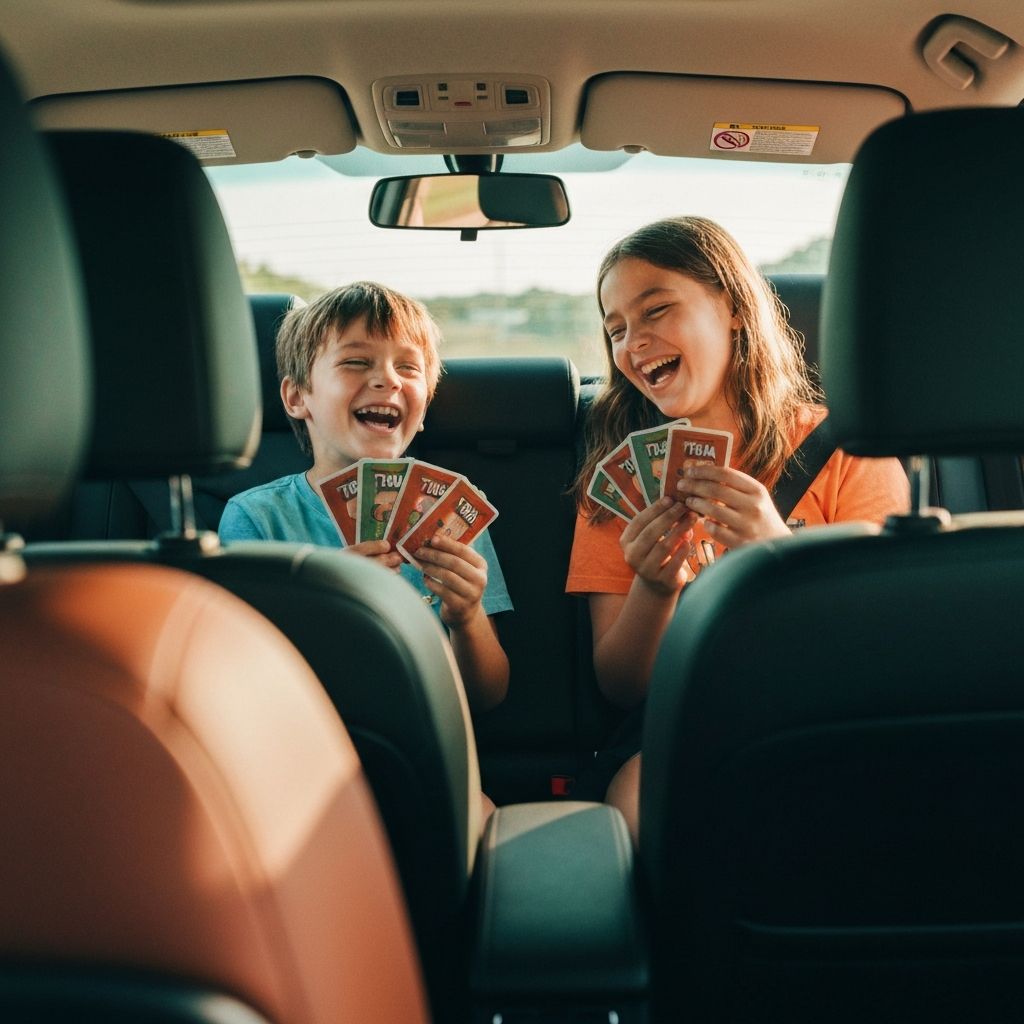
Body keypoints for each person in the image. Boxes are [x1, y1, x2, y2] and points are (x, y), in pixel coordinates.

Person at [566, 217, 909, 842]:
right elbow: (621, 688)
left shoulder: (844, 451)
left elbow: (878, 645)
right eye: (615, 330)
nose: (632, 341)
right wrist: (655, 585)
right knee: (645, 800)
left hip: (823, 718)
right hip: (674, 726)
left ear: (732, 307)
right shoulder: (619, 482)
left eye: (656, 310)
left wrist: (776, 551)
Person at [220, 281, 512, 714]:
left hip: (428, 746)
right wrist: (333, 613)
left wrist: (466, 617)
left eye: (409, 369)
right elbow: (247, 688)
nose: (387, 380)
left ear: (425, 406)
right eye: (356, 362)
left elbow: (486, 697)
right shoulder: (258, 518)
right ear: (297, 397)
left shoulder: (451, 512)